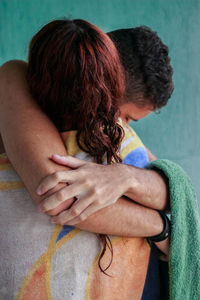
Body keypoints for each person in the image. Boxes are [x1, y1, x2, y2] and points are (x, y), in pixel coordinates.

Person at [0, 21, 173, 299]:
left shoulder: (116, 138)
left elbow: (170, 188)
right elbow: (59, 196)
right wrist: (161, 228)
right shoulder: (13, 78)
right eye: (126, 118)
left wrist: (125, 178)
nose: (122, 126)